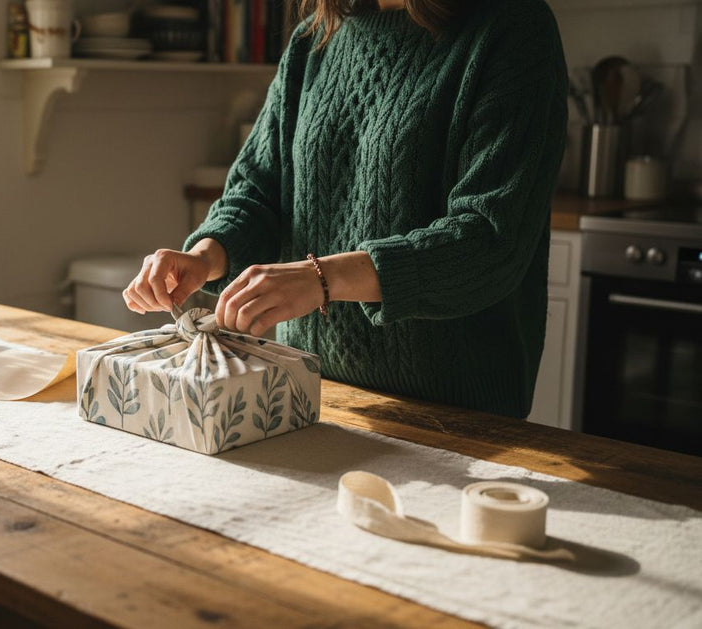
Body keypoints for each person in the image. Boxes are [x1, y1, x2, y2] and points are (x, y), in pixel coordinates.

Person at [122, 0, 568, 419]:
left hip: (456, 409)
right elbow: (258, 190)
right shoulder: (314, 39)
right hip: (309, 392)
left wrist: (322, 279)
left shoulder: (512, 26)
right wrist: (204, 256)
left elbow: (489, 238)